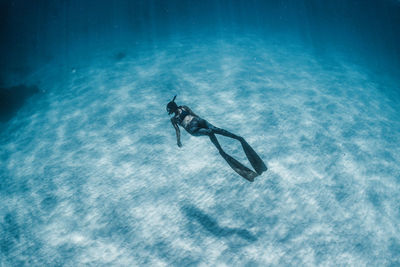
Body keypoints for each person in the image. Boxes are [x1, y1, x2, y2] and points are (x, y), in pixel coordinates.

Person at [166, 95, 267, 182]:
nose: (170, 111)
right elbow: (178, 131)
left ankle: (239, 139)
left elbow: (194, 115)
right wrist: (178, 141)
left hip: (199, 121)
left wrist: (203, 122)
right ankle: (222, 151)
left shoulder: (183, 107)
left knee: (216, 130)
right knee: (210, 132)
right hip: (193, 128)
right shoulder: (174, 119)